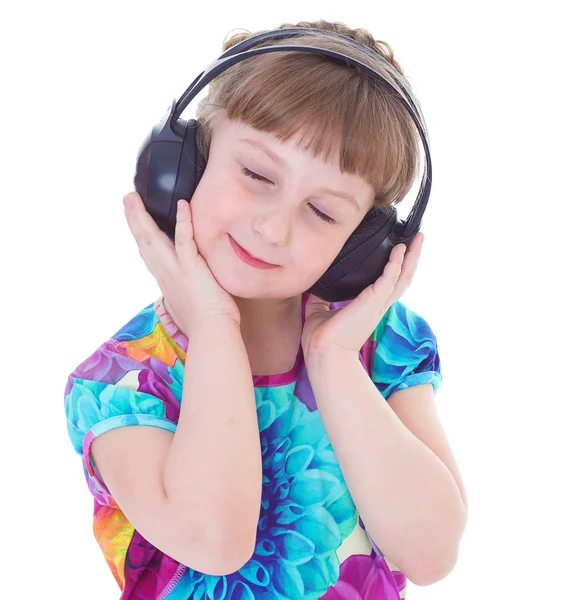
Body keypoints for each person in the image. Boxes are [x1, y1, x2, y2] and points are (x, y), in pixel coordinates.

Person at [64, 19, 468, 599]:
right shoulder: (123, 379)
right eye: (257, 174)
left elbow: (429, 554)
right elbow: (215, 540)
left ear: (363, 244)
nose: (273, 228)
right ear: (183, 164)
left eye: (324, 213)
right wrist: (212, 326)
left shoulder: (382, 346)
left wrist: (331, 359)